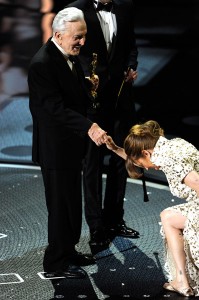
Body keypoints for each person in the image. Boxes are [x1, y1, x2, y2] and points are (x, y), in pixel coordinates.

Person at [28, 7, 108, 279]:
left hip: (70, 147)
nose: (82, 42)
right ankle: (55, 263)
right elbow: (53, 109)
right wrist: (90, 126)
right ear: (59, 35)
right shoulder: (42, 63)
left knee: (72, 204)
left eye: (83, 36)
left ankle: (69, 250)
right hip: (55, 150)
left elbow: (69, 95)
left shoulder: (67, 55)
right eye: (78, 37)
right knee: (61, 207)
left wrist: (87, 87)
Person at [66, 0, 140, 254]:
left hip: (120, 98)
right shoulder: (77, 10)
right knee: (92, 163)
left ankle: (114, 219)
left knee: (121, 158)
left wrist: (132, 67)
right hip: (91, 100)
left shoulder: (125, 7)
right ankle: (96, 226)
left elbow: (130, 45)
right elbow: (67, 49)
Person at [105, 120, 199, 297]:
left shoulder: (166, 158)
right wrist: (116, 149)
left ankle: (181, 281)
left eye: (141, 163)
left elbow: (196, 182)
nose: (145, 168)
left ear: (146, 152)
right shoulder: (173, 145)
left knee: (168, 218)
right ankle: (182, 280)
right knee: (169, 216)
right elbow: (139, 158)